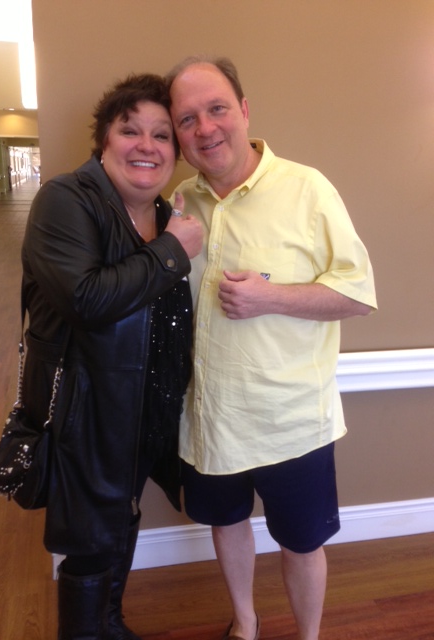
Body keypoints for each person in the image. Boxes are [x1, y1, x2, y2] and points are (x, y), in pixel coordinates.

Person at [166, 56, 377, 640]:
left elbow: (358, 295)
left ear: (244, 110)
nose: (205, 128)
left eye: (216, 109)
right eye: (187, 119)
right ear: (178, 134)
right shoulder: (180, 201)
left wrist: (272, 296)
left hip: (291, 422)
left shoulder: (307, 189)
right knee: (226, 523)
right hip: (209, 418)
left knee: (302, 543)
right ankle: (246, 622)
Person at [21, 74, 203, 640]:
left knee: (121, 519)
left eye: (161, 135)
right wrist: (172, 253)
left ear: (175, 151)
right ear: (104, 139)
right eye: (130, 130)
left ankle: (110, 623)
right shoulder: (65, 200)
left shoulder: (166, 215)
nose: (146, 145)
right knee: (89, 543)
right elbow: (87, 298)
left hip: (144, 414)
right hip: (86, 416)